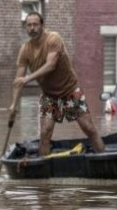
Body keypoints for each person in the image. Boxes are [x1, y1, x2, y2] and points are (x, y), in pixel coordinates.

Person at [7, 12, 105, 156]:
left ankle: (103, 156)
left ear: (42, 26)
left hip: (70, 90)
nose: (32, 28)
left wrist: (28, 78)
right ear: (25, 28)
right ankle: (43, 167)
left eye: (35, 24)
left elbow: (50, 65)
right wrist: (13, 105)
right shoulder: (25, 50)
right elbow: (18, 81)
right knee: (45, 132)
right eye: (29, 25)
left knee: (88, 127)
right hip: (49, 96)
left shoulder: (53, 39)